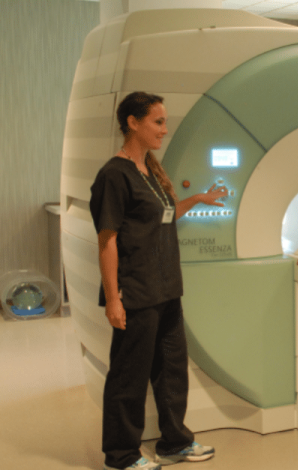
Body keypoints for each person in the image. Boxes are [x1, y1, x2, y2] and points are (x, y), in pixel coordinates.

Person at [90, 92, 225, 470]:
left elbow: (161, 218)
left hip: (167, 289)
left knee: (171, 371)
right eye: (158, 122)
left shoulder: (149, 170)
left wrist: (196, 198)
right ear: (133, 122)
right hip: (136, 291)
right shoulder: (114, 175)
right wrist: (114, 298)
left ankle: (174, 443)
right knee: (128, 377)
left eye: (165, 122)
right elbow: (108, 239)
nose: (165, 130)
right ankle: (121, 455)